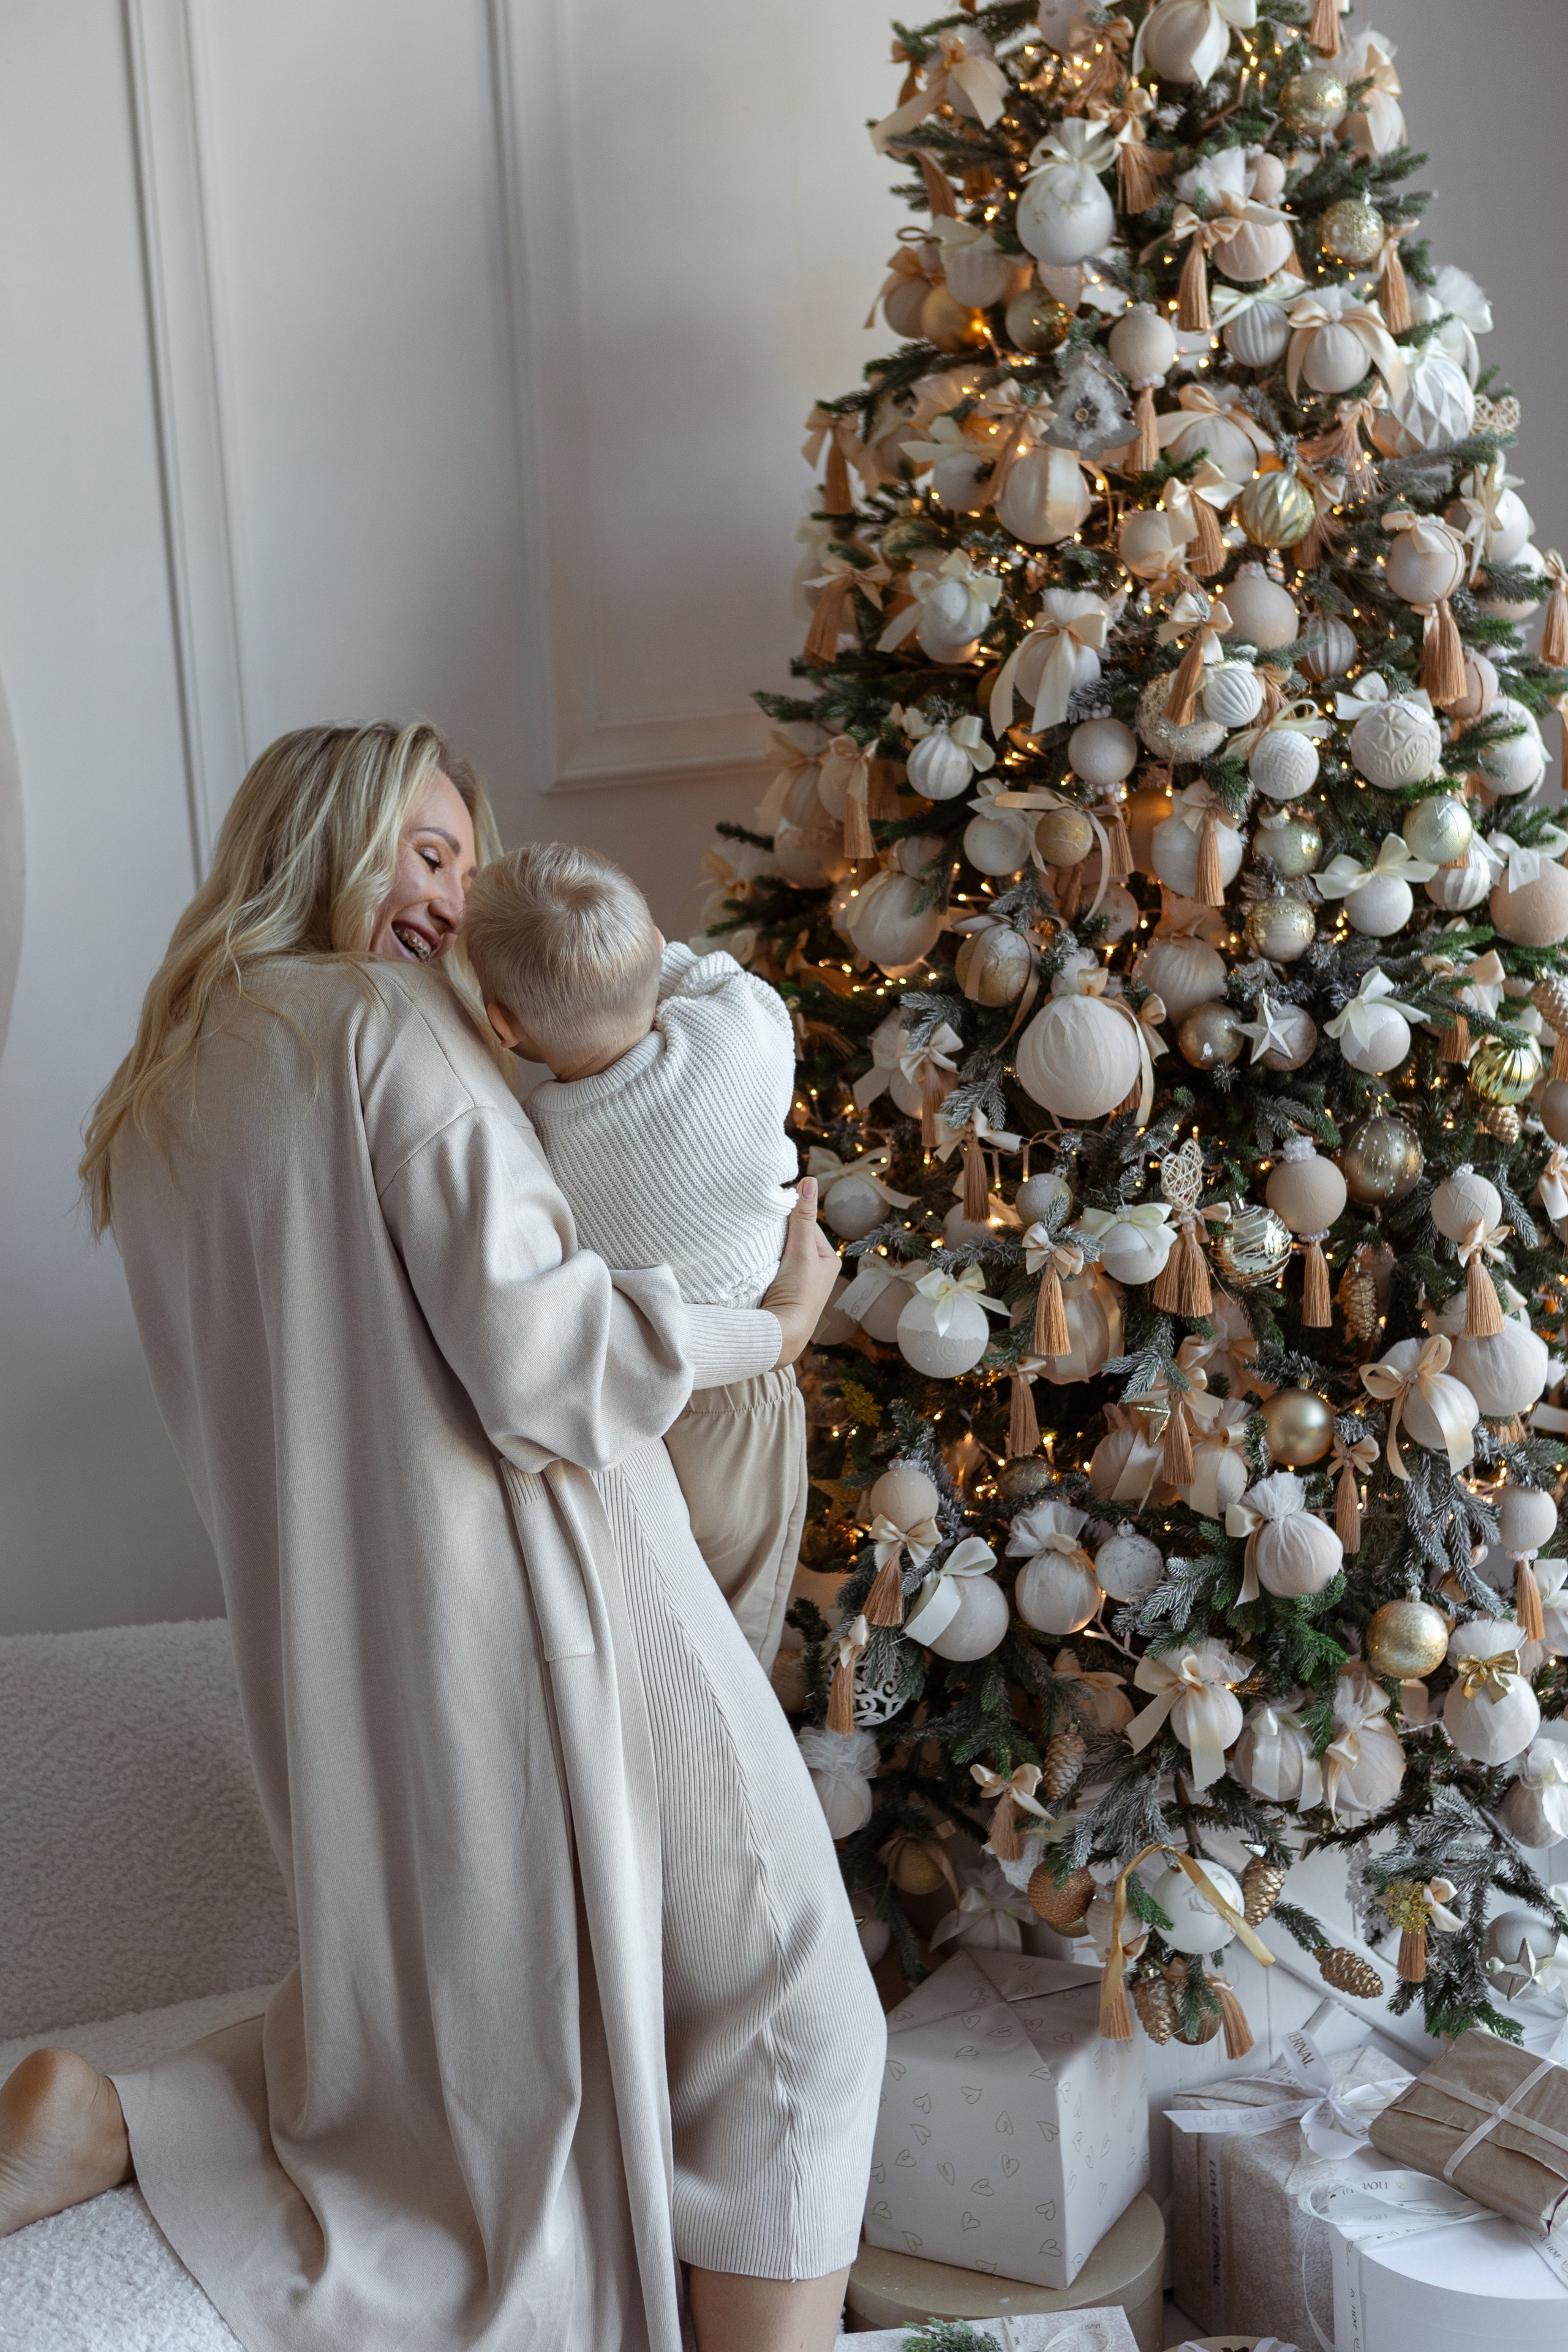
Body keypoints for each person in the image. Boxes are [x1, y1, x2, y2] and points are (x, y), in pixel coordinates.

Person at [0, 722, 884, 2352]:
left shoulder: (172, 1087)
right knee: (798, 2018)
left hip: (358, 1645)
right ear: (317, 837)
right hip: (559, 1583)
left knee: (497, 2024)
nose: (449, 895)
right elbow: (547, 1368)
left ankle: (135, 2119)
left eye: (464, 862)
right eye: (420, 850)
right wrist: (775, 1325)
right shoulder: (383, 1034)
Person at [464, 840, 806, 1667]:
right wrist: (645, 953)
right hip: (748, 1397)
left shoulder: (540, 1137)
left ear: (504, 1025)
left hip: (637, 1415)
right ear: (655, 944)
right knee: (743, 1643)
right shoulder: (739, 1036)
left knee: (667, 1641)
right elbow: (723, 977)